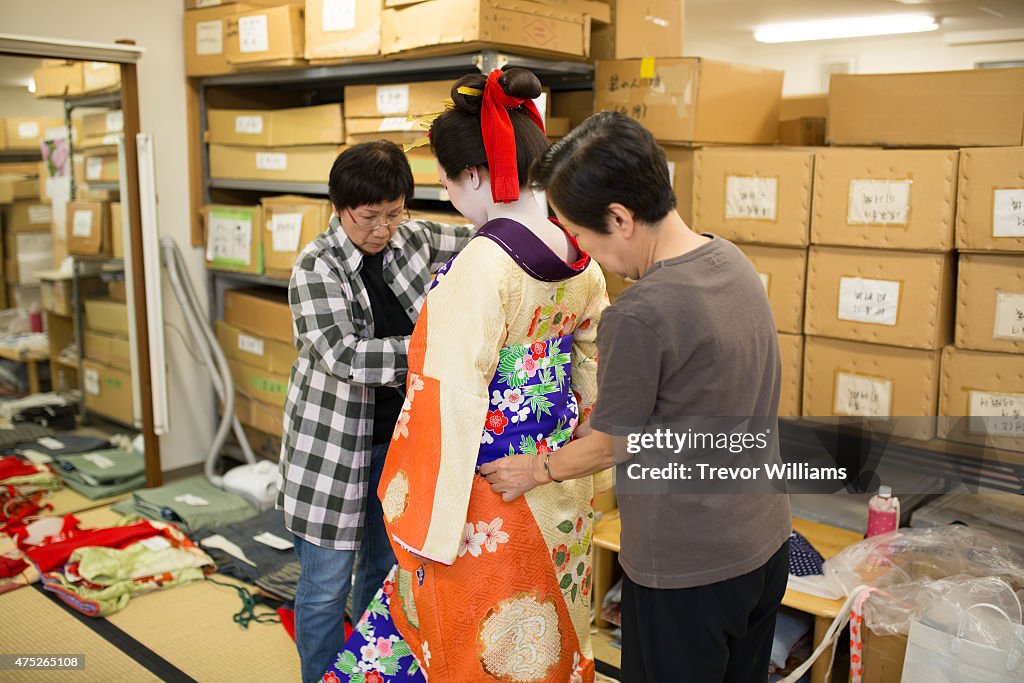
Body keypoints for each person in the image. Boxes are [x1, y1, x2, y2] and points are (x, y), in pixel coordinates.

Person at [481, 112, 793, 682]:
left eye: (580, 233)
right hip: (764, 545)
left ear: (620, 218)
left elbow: (609, 446)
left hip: (687, 569)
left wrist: (536, 469)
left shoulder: (639, 313)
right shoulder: (731, 261)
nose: (580, 249)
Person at [322, 68, 609, 683]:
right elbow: (592, 365)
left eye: (451, 181)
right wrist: (573, 446)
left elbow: (447, 395)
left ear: (474, 175)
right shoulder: (578, 252)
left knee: (469, 633)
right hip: (555, 476)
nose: (452, 196)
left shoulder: (483, 266)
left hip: (480, 485)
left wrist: (429, 513)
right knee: (547, 623)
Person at [277, 140, 475, 683]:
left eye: (394, 213)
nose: (383, 229)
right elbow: (343, 356)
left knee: (384, 571)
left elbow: (486, 241)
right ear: (340, 207)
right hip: (332, 451)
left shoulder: (415, 239)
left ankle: (363, 674)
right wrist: (432, 346)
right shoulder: (315, 269)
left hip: (400, 444)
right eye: (369, 218)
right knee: (324, 586)